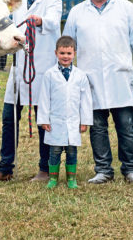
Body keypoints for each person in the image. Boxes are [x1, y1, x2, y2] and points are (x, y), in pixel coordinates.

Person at [63, 0, 133, 184]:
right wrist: (67, 73)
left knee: (126, 126)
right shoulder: (77, 12)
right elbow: (67, 44)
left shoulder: (126, 8)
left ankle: (131, 169)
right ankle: (103, 170)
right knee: (97, 128)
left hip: (120, 77)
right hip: (90, 80)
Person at [0, 0, 62, 182]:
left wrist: (40, 20)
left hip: (43, 70)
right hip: (19, 70)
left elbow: (53, 23)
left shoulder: (52, 1)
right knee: (9, 119)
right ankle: (5, 167)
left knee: (43, 119)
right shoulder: (16, 4)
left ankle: (45, 169)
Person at [37, 36, 93, 189]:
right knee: (54, 151)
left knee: (71, 151)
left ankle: (71, 179)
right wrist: (44, 119)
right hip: (55, 121)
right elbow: (44, 98)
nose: (65, 57)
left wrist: (85, 121)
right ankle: (53, 179)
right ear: (56, 53)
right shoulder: (50, 74)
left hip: (73, 121)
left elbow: (85, 100)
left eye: (69, 53)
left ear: (74, 53)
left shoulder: (80, 75)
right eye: (62, 53)